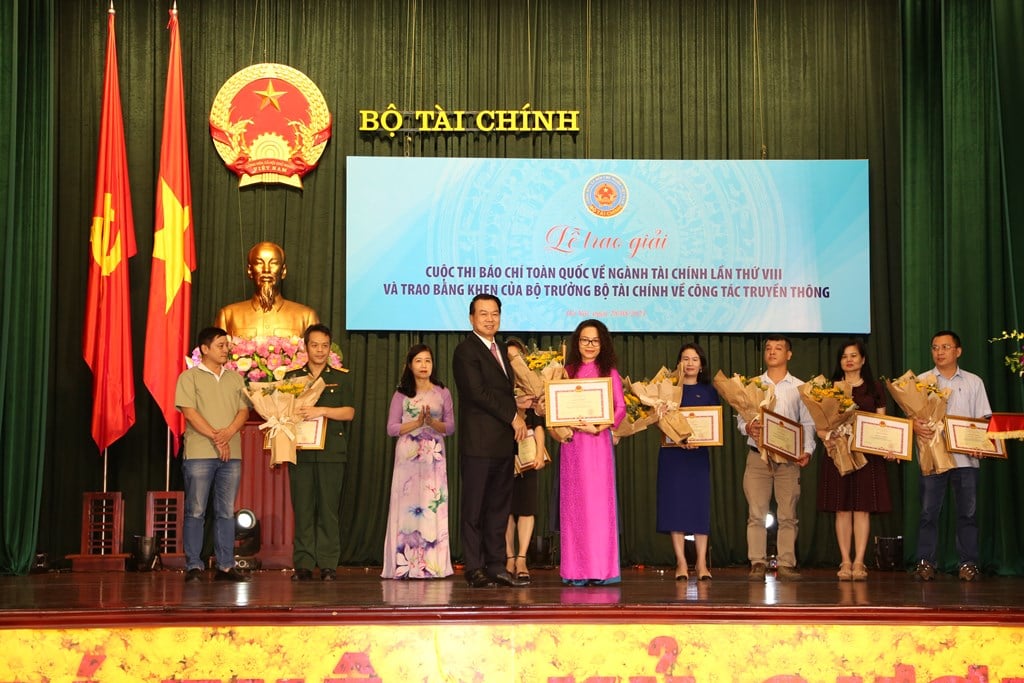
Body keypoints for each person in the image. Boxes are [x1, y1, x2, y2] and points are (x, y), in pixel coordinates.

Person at [451, 294, 530, 588]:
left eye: (494, 313)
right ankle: (474, 567)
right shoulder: (466, 351)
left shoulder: (500, 351)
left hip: (501, 444)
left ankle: (496, 564)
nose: (489, 319)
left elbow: (500, 394)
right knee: (474, 508)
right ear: (471, 318)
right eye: (483, 314)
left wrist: (524, 403)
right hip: (479, 444)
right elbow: (477, 392)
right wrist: (513, 416)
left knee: (498, 507)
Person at [912, 330, 992, 582]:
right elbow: (910, 416)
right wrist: (913, 425)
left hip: (966, 461)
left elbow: (983, 419)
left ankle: (968, 563)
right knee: (928, 513)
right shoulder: (921, 382)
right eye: (935, 347)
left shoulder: (973, 382)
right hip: (933, 459)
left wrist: (982, 443)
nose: (939, 352)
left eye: (945, 347)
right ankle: (926, 561)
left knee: (967, 514)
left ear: (958, 351)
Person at [551, 319, 626, 586]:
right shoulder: (566, 372)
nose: (589, 346)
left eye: (594, 340)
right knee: (574, 509)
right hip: (572, 447)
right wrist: (562, 421)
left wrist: (599, 426)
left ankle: (602, 569)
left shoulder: (609, 372)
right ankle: (575, 571)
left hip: (597, 446)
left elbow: (620, 410)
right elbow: (555, 407)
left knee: (597, 508)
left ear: (602, 343)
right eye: (584, 340)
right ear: (577, 342)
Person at [174, 326, 252, 583]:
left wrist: (227, 433)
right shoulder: (189, 377)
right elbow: (189, 412)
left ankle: (226, 566)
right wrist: (217, 438)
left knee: (226, 511)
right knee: (196, 510)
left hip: (232, 455)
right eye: (220, 345)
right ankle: (194, 565)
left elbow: (243, 411)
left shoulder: (235, 378)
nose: (225, 350)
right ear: (204, 349)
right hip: (199, 453)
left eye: (226, 345)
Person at [736, 335, 817, 581]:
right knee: (756, 513)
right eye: (769, 348)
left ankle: (786, 563)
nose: (772, 352)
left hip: (789, 460)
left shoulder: (800, 387)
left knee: (788, 514)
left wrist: (808, 450)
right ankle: (757, 562)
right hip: (757, 458)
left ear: (789, 354)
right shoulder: (752, 385)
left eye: (778, 348)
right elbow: (741, 419)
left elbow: (808, 422)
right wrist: (748, 427)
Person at [283, 324, 355, 582]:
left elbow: (349, 413)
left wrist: (321, 410)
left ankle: (328, 564)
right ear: (305, 347)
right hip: (300, 451)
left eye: (325, 345)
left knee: (328, 509)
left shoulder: (341, 377)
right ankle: (303, 563)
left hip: (331, 452)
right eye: (315, 345)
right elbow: (282, 412)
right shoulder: (291, 378)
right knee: (302, 508)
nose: (320, 350)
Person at [816, 339, 893, 581]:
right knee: (841, 509)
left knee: (862, 509)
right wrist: (828, 436)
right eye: (844, 356)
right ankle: (845, 560)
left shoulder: (875, 389)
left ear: (863, 359)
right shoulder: (830, 389)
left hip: (867, 455)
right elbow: (821, 425)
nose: (849, 360)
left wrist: (889, 446)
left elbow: (883, 423)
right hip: (838, 454)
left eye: (853, 355)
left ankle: (860, 561)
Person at [382, 343, 455, 579]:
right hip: (408, 458)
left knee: (432, 506)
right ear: (410, 365)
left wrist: (432, 424)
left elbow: (451, 427)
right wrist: (416, 423)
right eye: (419, 361)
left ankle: (432, 566)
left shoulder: (442, 392)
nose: (424, 365)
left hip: (434, 456)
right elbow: (392, 428)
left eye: (428, 361)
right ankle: (405, 565)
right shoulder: (401, 394)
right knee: (407, 509)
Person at [656, 342, 719, 582]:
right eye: (685, 358)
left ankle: (702, 564)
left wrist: (702, 440)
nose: (689, 363)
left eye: (694, 359)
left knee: (698, 508)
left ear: (701, 365)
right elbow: (659, 423)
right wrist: (678, 439)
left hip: (698, 457)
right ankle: (681, 562)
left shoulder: (710, 392)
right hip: (673, 456)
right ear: (678, 363)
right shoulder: (668, 391)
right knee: (675, 507)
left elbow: (714, 426)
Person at [504, 338, 550, 584]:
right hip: (502, 452)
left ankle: (522, 558)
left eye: (517, 358)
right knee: (505, 509)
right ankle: (508, 557)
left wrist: (540, 452)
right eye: (509, 359)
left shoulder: (534, 388)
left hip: (528, 454)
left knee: (527, 507)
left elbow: (539, 425)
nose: (513, 363)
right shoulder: (498, 387)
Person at [214, 241, 319, 338]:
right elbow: (215, 355)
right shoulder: (228, 315)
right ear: (250, 271)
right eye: (259, 263)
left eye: (273, 263)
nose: (266, 270)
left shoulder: (306, 317)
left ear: (283, 271)